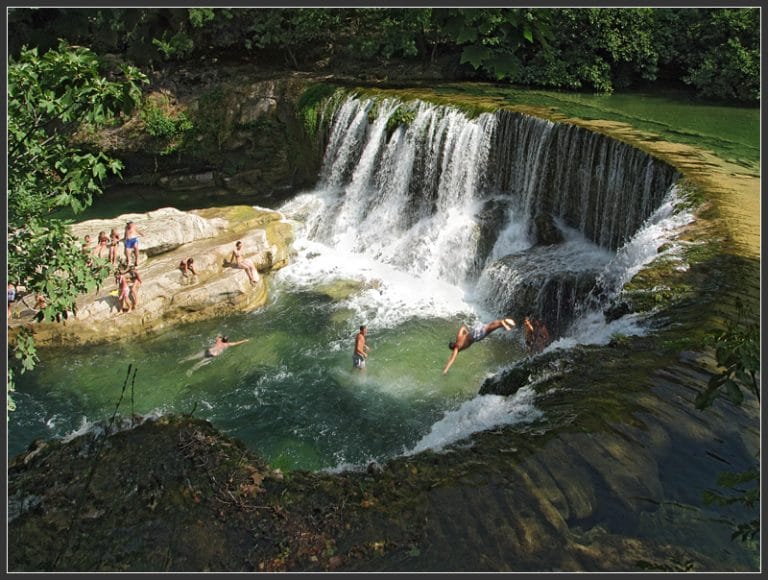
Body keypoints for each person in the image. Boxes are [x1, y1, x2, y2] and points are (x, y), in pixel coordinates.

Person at [443, 318, 516, 375]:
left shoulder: (456, 348)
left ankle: (502, 324)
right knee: (488, 326)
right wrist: (468, 332)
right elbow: (463, 327)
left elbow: (452, 360)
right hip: (474, 330)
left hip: (476, 336)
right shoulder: (459, 337)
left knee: (489, 329)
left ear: (453, 348)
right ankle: (502, 322)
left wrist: (446, 370)